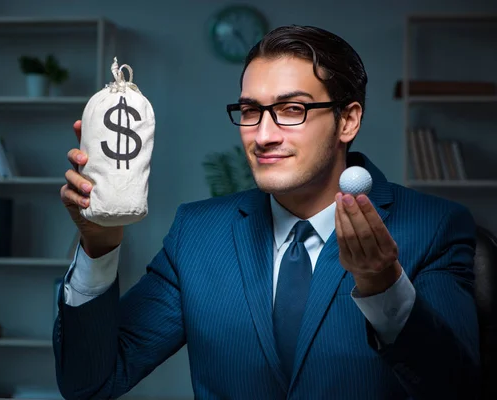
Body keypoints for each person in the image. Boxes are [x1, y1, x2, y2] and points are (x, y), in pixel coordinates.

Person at [53, 25, 480, 399]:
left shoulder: (434, 227)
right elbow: (90, 383)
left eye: (292, 110)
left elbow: (456, 389)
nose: (263, 135)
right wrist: (98, 245)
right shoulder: (199, 234)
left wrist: (382, 286)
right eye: (251, 111)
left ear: (347, 121)